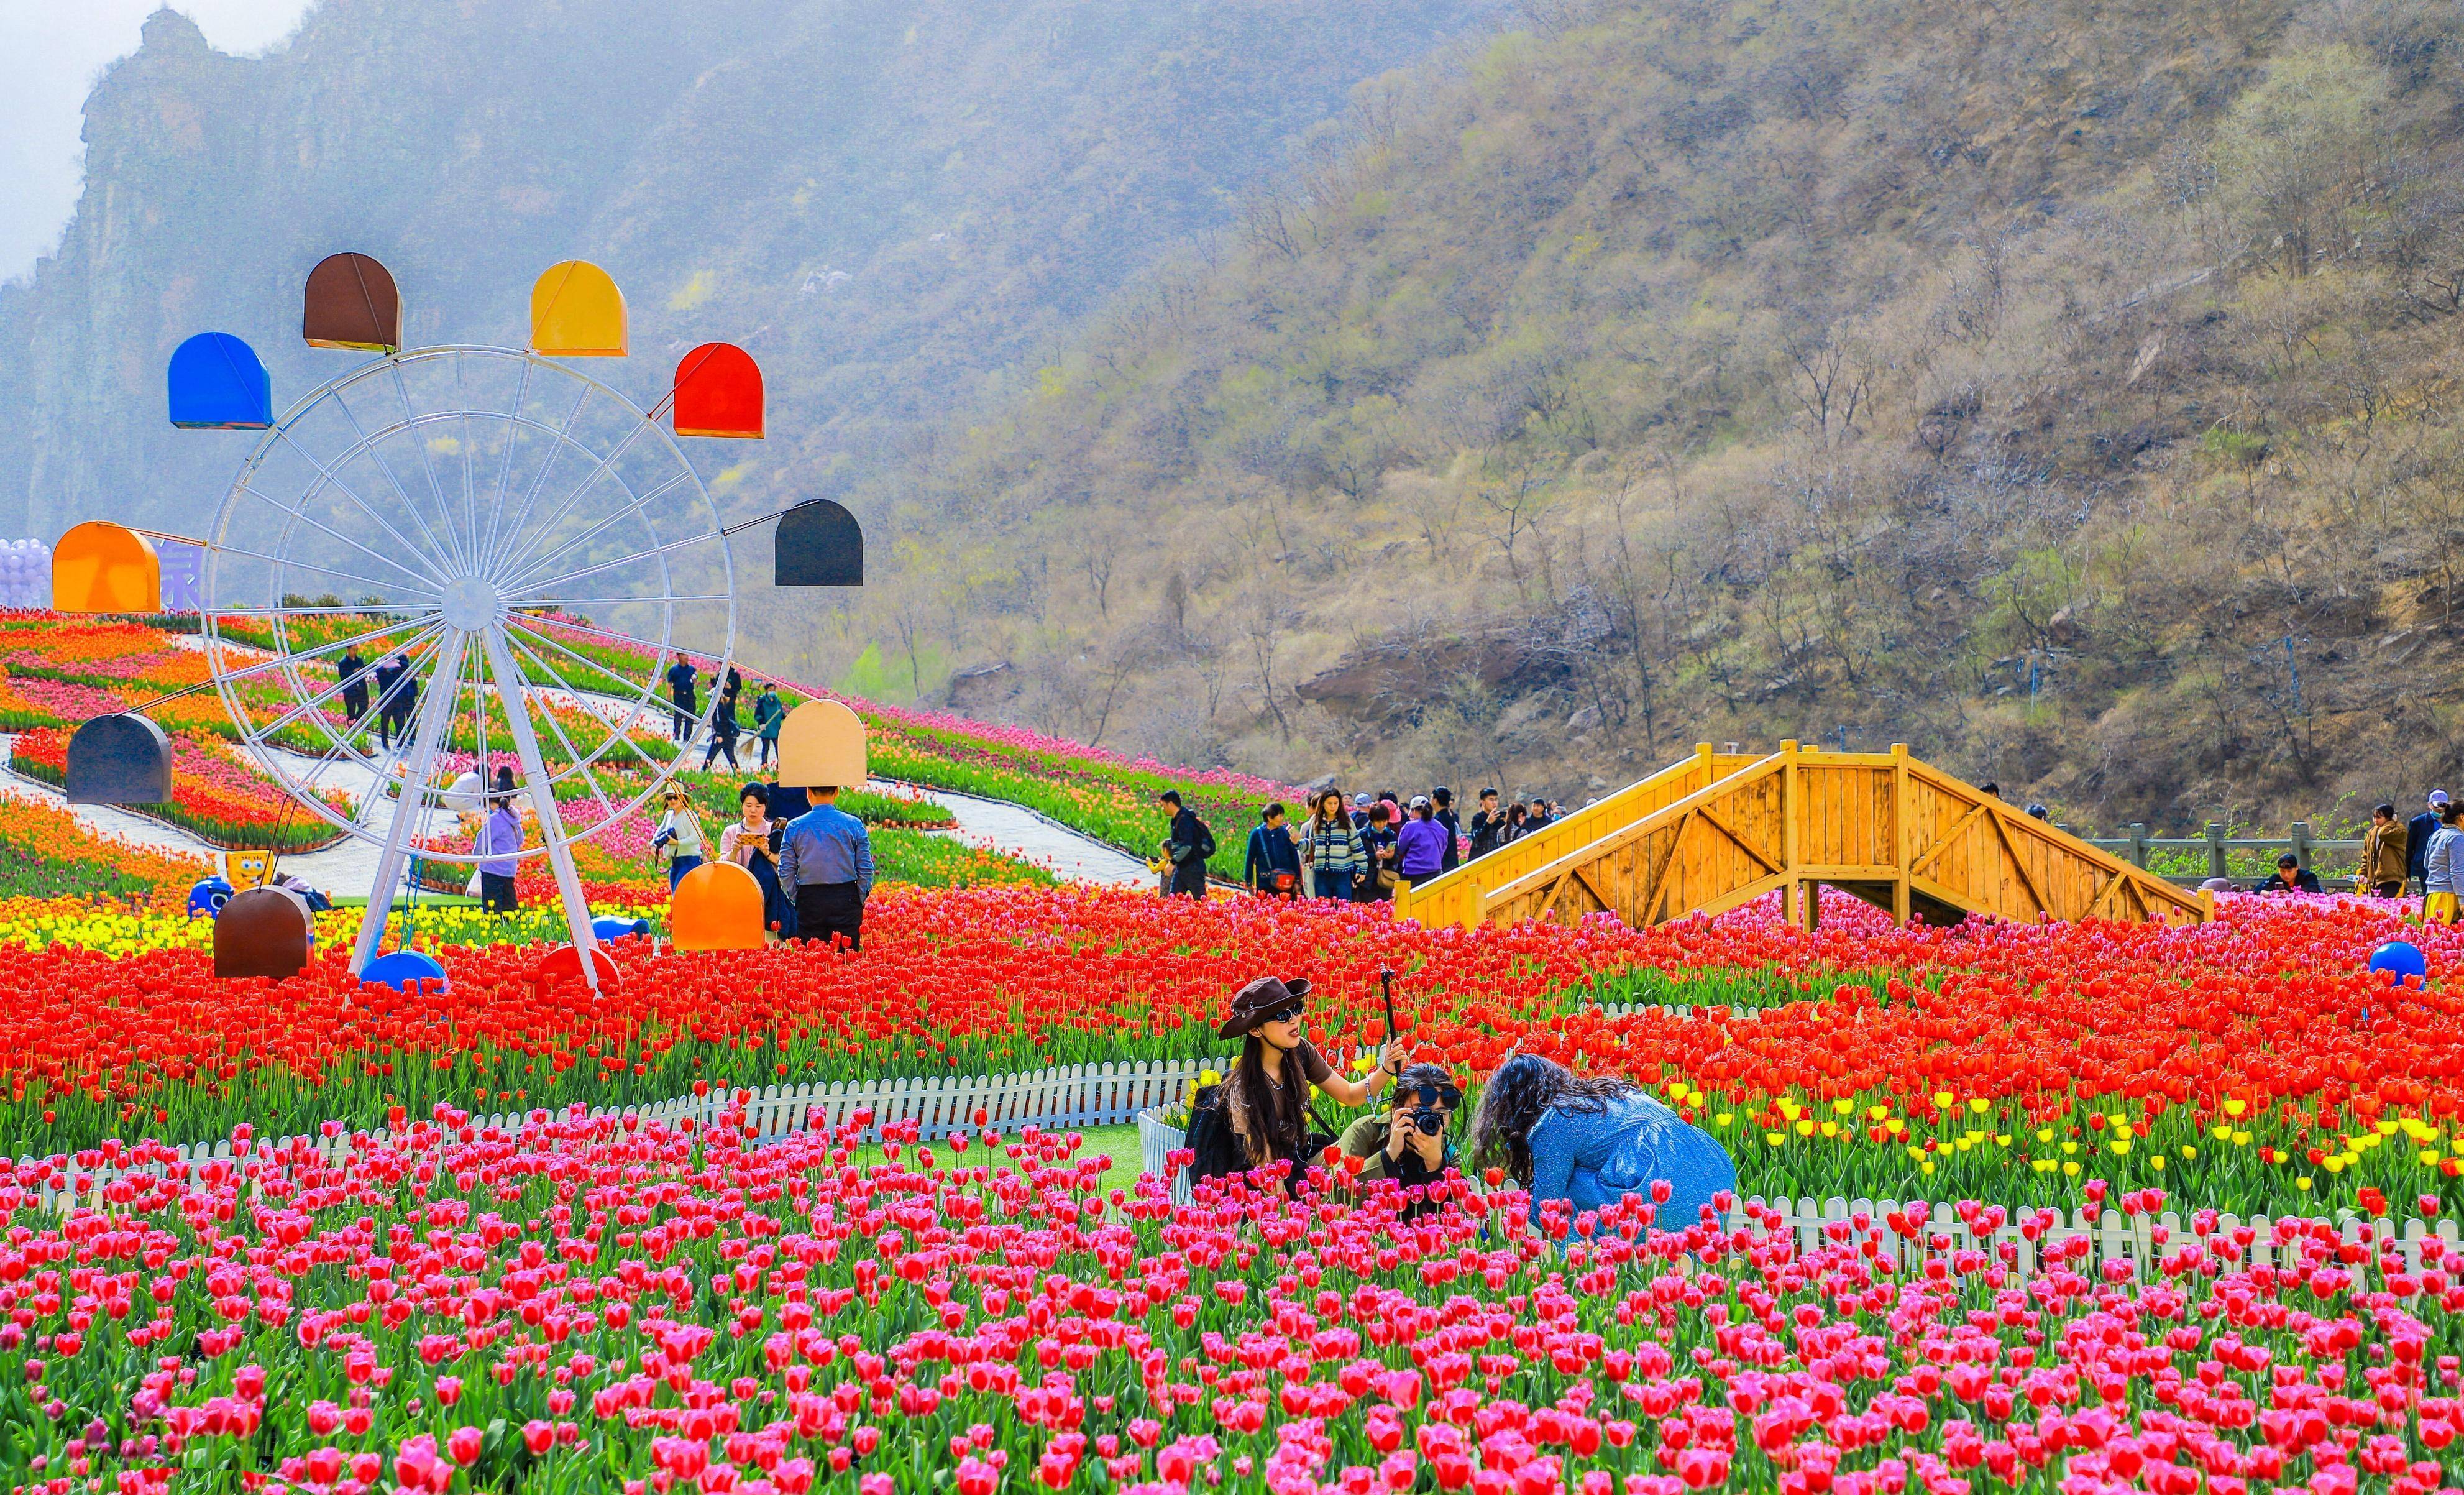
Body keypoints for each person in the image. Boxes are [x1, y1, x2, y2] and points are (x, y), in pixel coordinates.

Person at [1467, 1054, 1737, 1238]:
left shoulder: (1556, 1121)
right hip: (1712, 1177)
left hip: (1663, 1197)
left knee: (1565, 1192)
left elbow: (1545, 1211)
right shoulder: (1614, 1092)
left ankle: (1583, 1269)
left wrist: (1503, 1223)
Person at [1185, 977, 1401, 1190]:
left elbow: (1350, 1095)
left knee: (1366, 1128)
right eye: (1282, 1015)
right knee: (1346, 1174)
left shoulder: (1300, 1053)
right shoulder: (1244, 1089)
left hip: (1300, 1160)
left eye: (1296, 1008)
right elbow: (1265, 1164)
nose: (1294, 1019)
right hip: (1263, 1183)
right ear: (1255, 1030)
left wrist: (1387, 1068)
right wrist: (1288, 1216)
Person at [1339, 1062, 1461, 1220]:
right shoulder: (1366, 1132)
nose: (1430, 1120)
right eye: (1419, 1111)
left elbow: (1454, 1220)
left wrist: (1435, 1167)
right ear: (1396, 1108)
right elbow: (1339, 1199)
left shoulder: (1449, 1154)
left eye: (1440, 1114)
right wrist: (1388, 1155)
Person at [778, 784, 874, 949]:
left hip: (810, 898)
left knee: (813, 962)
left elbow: (786, 870)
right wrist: (859, 897)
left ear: (808, 792)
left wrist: (798, 897)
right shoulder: (853, 824)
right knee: (846, 961)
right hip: (846, 897)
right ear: (837, 791)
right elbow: (865, 867)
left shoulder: (795, 827)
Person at [719, 782, 792, 939]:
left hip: (768, 894)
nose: (753, 810)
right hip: (739, 892)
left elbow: (785, 863)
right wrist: (735, 851)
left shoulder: (774, 830)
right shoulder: (731, 832)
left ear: (766, 806)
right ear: (742, 805)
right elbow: (722, 865)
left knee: (768, 938)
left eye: (758, 806)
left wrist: (767, 853)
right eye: (749, 805)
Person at [1299, 788, 1365, 901]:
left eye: (1336, 803)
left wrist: (1362, 869)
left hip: (1342, 875)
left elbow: (1357, 846)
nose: (1333, 806)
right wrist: (1298, 842)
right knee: (1322, 910)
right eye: (1330, 803)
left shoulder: (1346, 821)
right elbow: (1312, 847)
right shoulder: (1316, 821)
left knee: (1343, 910)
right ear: (1323, 803)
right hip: (1321, 875)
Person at [650, 786, 707, 893]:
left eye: (676, 797)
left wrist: (678, 843)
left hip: (690, 861)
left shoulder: (689, 815)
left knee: (680, 893)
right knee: (675, 896)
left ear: (682, 798)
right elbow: (660, 830)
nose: (672, 800)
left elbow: (699, 837)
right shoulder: (669, 815)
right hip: (675, 862)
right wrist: (654, 844)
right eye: (669, 797)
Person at [473, 793, 522, 913]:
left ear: (490, 804)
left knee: (493, 910)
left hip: (493, 869)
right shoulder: (513, 818)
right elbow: (520, 838)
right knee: (510, 907)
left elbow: (483, 839)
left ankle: (496, 930)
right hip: (509, 869)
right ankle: (512, 931)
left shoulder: (497, 819)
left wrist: (476, 855)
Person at [1160, 790, 1212, 899]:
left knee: (1201, 902)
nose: (1163, 809)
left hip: (1193, 868)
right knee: (1172, 901)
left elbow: (1187, 846)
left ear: (1170, 804)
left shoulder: (1185, 820)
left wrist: (1172, 863)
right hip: (1182, 868)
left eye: (1163, 806)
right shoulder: (1177, 819)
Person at [1243, 803, 1303, 897]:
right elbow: (1250, 859)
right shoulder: (1257, 834)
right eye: (1280, 815)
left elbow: (1294, 856)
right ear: (1270, 818)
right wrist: (1248, 882)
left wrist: (1298, 880)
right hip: (1265, 882)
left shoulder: (1286, 833)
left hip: (1286, 881)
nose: (1282, 818)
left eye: (1282, 815)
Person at [1396, 796, 1449, 888]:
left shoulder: (1410, 827)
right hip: (1435, 872)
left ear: (1415, 811)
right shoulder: (1441, 828)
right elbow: (1443, 849)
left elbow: (1400, 848)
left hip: (1413, 873)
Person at [2427, 803, 2464, 924]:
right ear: (2462, 817)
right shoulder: (2457, 838)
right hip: (2449, 897)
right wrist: (2463, 901)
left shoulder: (2436, 835)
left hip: (2433, 896)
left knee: (2433, 940)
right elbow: (2458, 872)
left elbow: (2427, 864)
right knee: (2447, 939)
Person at [2363, 804, 2409, 900]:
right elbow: (2366, 855)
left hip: (2392, 877)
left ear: (2389, 817)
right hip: (2376, 878)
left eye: (2379, 817)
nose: (2376, 820)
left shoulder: (2399, 830)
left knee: (2383, 902)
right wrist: (2363, 874)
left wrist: (2391, 823)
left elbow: (2384, 835)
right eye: (2374, 817)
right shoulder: (2372, 832)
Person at [2408, 791, 2448, 896]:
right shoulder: (2418, 823)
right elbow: (2409, 847)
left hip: (2446, 867)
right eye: (2437, 805)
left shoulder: (2452, 822)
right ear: (2429, 805)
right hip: (2425, 867)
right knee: (2429, 896)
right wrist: (2407, 871)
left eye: (2443, 805)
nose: (2440, 809)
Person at [1357, 801, 1400, 901]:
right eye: (1378, 822)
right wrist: (1374, 857)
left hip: (1385, 879)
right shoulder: (1362, 835)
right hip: (1367, 880)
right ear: (1372, 821)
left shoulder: (1391, 835)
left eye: (1385, 821)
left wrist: (1391, 857)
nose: (1382, 825)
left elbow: (1397, 858)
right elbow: (1357, 857)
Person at [702, 685, 741, 772]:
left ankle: (704, 770)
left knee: (712, 754)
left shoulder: (717, 708)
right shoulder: (722, 706)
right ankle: (737, 771)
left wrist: (719, 735)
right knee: (730, 755)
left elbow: (719, 722)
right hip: (728, 735)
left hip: (722, 736)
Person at [2251, 852, 2322, 896]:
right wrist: (2270, 894)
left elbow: (2312, 890)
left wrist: (2291, 895)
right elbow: (2258, 889)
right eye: (2282, 871)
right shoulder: (2276, 879)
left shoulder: (2308, 877)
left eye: (2289, 871)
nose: (2286, 875)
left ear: (2297, 867)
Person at [665, 658, 698, 745]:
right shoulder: (674, 669)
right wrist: (668, 696)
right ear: (679, 656)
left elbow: (695, 678)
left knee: (690, 716)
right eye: (683, 655)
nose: (686, 657)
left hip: (689, 695)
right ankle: (677, 733)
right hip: (678, 695)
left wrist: (695, 678)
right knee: (678, 715)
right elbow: (669, 683)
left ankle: (687, 737)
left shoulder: (691, 669)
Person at [753, 682, 785, 770]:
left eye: (774, 690)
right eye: (770, 690)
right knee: (766, 748)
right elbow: (758, 714)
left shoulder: (777, 701)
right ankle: (764, 765)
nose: (772, 692)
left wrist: (785, 716)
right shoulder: (762, 701)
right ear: (766, 691)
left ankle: (780, 766)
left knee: (778, 748)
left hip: (775, 728)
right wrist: (761, 723)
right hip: (766, 728)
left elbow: (780, 712)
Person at [1432, 787, 1462, 873]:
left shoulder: (1438, 820)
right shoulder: (1450, 817)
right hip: (1452, 860)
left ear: (1435, 800)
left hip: (1443, 863)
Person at [1468, 788, 1504, 860]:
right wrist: (1488, 823)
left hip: (1497, 858)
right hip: (1479, 859)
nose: (1494, 803)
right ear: (1483, 802)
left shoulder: (1500, 819)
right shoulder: (1478, 818)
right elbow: (1476, 838)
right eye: (1491, 800)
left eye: (1496, 799)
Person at [337, 648, 369, 727]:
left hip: (361, 690)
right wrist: (354, 672)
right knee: (351, 712)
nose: (355, 652)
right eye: (353, 650)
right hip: (350, 691)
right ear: (348, 650)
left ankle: (356, 722)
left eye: (356, 650)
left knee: (364, 708)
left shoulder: (359, 660)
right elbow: (343, 675)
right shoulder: (343, 662)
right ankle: (352, 729)